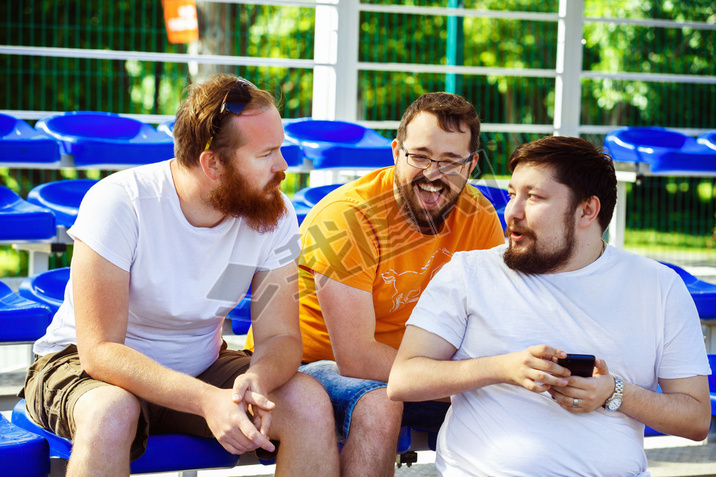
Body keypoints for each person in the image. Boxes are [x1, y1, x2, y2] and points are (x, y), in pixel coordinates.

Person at [20, 74, 339, 476]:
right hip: (81, 368)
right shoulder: (119, 201)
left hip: (201, 366)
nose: (283, 167)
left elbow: (281, 337)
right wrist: (205, 400)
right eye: (266, 154)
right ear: (213, 164)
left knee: (308, 403)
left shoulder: (275, 213)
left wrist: (257, 379)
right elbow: (100, 351)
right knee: (111, 414)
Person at [388, 135, 712, 476]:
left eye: (534, 197)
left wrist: (614, 392)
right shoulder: (468, 272)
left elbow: (695, 420)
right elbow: (404, 378)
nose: (512, 211)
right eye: (512, 194)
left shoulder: (658, 286)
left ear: (587, 210)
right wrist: (502, 369)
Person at [257, 92, 505, 476]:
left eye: (451, 161)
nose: (433, 174)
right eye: (420, 156)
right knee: (380, 403)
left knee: (520, 401)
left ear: (471, 165)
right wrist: (473, 379)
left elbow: (494, 319)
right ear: (396, 152)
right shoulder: (346, 218)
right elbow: (355, 358)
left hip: (415, 367)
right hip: (310, 366)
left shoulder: (480, 215)